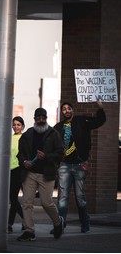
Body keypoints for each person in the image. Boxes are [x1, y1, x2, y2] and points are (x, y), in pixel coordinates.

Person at [54, 100, 106, 233]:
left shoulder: (81, 121)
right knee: (63, 197)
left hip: (79, 164)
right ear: (62, 112)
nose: (66, 111)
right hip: (64, 165)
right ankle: (60, 225)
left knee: (80, 197)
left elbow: (98, 122)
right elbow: (52, 145)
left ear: (73, 110)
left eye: (68, 108)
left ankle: (85, 222)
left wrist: (100, 109)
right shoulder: (58, 127)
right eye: (64, 109)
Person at [17, 107, 64, 241]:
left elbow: (60, 153)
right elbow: (20, 153)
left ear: (46, 118)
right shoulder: (28, 134)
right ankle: (29, 230)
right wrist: (24, 161)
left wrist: (46, 156)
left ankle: (57, 222)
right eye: (38, 118)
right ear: (34, 119)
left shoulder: (53, 134)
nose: (41, 120)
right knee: (27, 203)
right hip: (30, 173)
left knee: (46, 202)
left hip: (46, 174)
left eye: (43, 118)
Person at [7, 116, 25, 233]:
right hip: (9, 170)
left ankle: (10, 224)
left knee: (14, 198)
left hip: (20, 169)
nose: (16, 127)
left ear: (22, 126)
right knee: (13, 198)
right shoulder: (9, 138)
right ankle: (25, 220)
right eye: (14, 124)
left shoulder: (25, 138)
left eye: (18, 124)